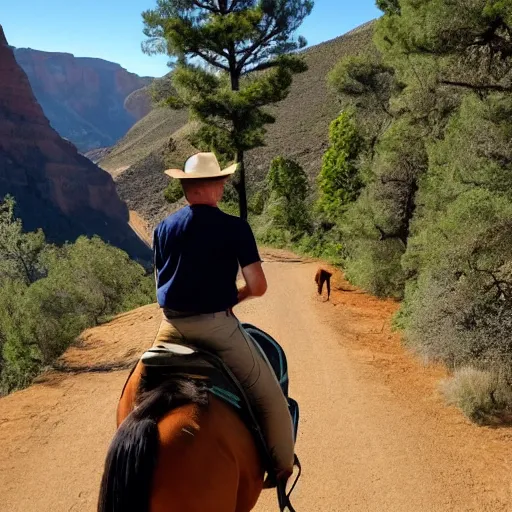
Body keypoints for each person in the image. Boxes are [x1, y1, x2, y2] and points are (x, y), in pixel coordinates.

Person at [152, 152, 295, 484]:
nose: (224, 185)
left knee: (138, 396)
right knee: (270, 396)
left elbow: (161, 282)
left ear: (187, 186)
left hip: (170, 329)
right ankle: (282, 465)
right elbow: (258, 286)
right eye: (221, 180)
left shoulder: (163, 229)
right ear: (211, 186)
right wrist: (235, 297)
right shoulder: (234, 228)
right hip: (217, 328)